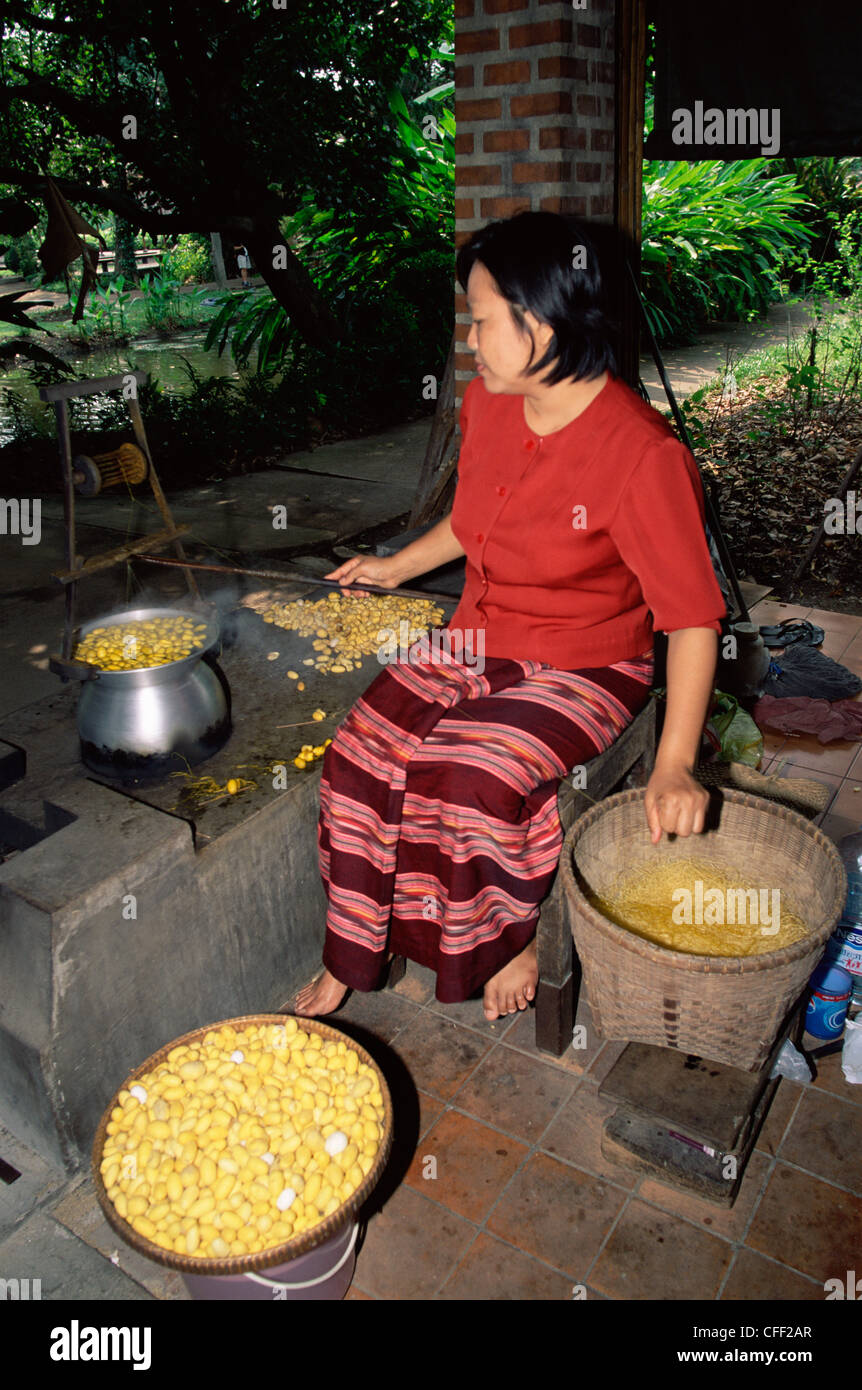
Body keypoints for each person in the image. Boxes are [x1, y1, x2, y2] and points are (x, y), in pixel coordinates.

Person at [295, 210, 725, 1023]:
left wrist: (674, 765)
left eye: (483, 321)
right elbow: (473, 522)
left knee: (468, 782)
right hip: (481, 634)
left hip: (586, 663)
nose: (472, 340)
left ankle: (513, 939)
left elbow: (694, 620)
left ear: (542, 321)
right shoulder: (491, 406)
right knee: (357, 758)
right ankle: (355, 950)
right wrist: (393, 566)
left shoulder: (643, 455)